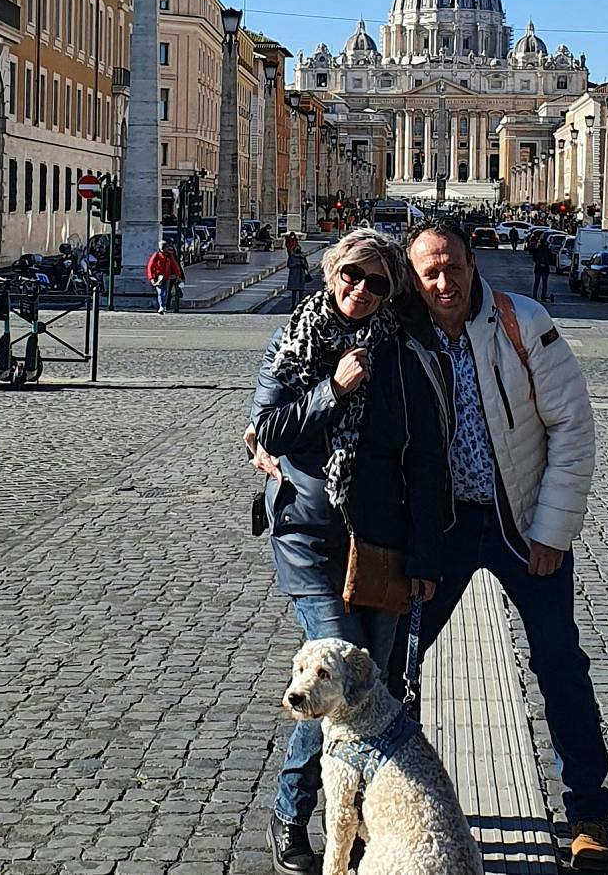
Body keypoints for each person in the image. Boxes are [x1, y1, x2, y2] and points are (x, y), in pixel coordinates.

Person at [396, 219, 608, 871]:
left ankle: (588, 813)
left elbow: (572, 428)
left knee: (559, 665)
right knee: (392, 668)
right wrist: (269, 425)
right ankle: (393, 802)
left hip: (522, 522)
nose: (443, 282)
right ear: (413, 275)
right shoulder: (400, 333)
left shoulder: (523, 320)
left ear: (473, 261)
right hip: (443, 531)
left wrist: (551, 531)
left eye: (453, 267)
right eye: (429, 271)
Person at [250, 228, 449, 875]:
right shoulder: (296, 339)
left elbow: (426, 462)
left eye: (376, 282)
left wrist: (424, 560)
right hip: (307, 534)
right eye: (350, 275)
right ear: (332, 273)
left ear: (391, 290)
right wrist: (332, 389)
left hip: (381, 540)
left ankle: (366, 820)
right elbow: (266, 429)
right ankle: (291, 811)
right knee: (332, 679)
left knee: (380, 688)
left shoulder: (403, 354)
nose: (359, 290)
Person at [146, 241, 183, 315]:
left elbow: (174, 265)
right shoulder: (157, 255)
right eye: (165, 247)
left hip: (166, 277)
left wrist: (178, 275)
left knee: (165, 292)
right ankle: (162, 306)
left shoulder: (169, 256)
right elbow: (150, 266)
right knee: (160, 292)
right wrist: (151, 278)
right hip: (158, 277)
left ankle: (163, 305)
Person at [284, 234, 309, 313]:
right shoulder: (291, 257)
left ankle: (301, 304)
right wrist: (295, 265)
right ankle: (293, 304)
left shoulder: (302, 257)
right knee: (294, 292)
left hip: (300, 275)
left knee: (301, 292)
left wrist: (302, 263)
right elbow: (289, 265)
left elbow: (306, 266)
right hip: (294, 275)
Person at [530, 231, 555, 304]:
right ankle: (543, 297)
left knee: (537, 282)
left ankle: (535, 296)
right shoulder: (547, 250)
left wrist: (539, 263)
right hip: (544, 268)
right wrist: (545, 263)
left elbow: (534, 258)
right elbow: (551, 259)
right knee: (544, 283)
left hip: (538, 268)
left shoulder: (538, 249)